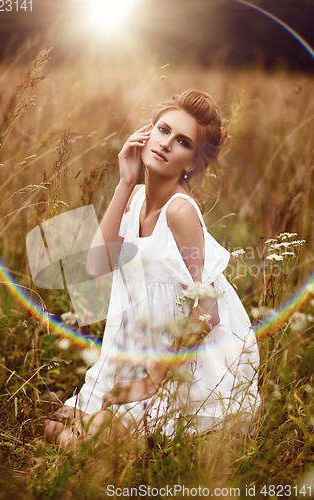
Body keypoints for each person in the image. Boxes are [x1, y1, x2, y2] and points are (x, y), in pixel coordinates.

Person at [43, 89, 260, 448]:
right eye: (162, 130)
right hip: (137, 353)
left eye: (182, 142)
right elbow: (97, 267)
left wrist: (152, 382)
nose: (166, 144)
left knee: (80, 445)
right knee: (55, 427)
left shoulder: (180, 212)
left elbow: (207, 313)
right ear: (146, 133)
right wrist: (125, 181)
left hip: (181, 367)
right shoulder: (135, 196)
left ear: (191, 163)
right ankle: (100, 426)